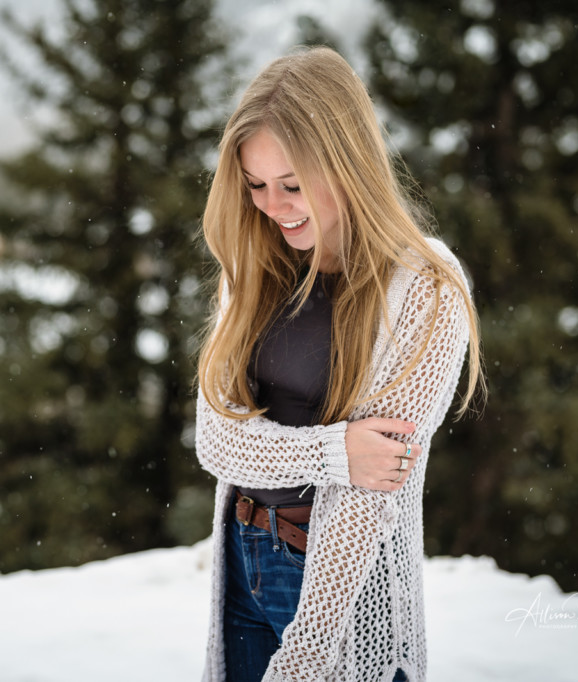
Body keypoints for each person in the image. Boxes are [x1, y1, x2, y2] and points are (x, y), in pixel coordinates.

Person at [194, 47, 484, 682]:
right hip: (243, 557)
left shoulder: (425, 286)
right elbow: (216, 440)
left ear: (347, 161)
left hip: (344, 592)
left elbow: (372, 492)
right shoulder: (254, 266)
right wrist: (333, 452)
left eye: (292, 184)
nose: (273, 205)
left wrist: (309, 649)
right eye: (256, 184)